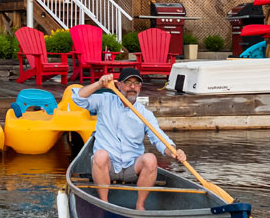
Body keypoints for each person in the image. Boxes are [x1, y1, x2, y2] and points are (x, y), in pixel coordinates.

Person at [73, 67, 186, 210]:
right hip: (108, 166)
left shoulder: (145, 113)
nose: (132, 87)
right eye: (128, 83)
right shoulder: (105, 100)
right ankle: (104, 203)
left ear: (140, 87)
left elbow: (159, 139)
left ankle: (140, 205)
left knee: (150, 159)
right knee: (100, 155)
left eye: (136, 83)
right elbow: (77, 98)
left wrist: (174, 152)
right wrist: (99, 84)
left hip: (132, 167)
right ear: (118, 85)